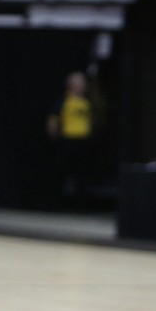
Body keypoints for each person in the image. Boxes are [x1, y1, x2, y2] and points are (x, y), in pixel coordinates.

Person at [46, 70, 94, 208]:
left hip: (83, 141)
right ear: (70, 84)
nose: (81, 86)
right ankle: (55, 203)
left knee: (82, 174)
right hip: (67, 141)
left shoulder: (86, 102)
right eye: (78, 83)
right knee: (61, 172)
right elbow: (53, 120)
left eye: (83, 83)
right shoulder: (64, 100)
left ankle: (81, 205)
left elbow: (91, 119)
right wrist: (55, 137)